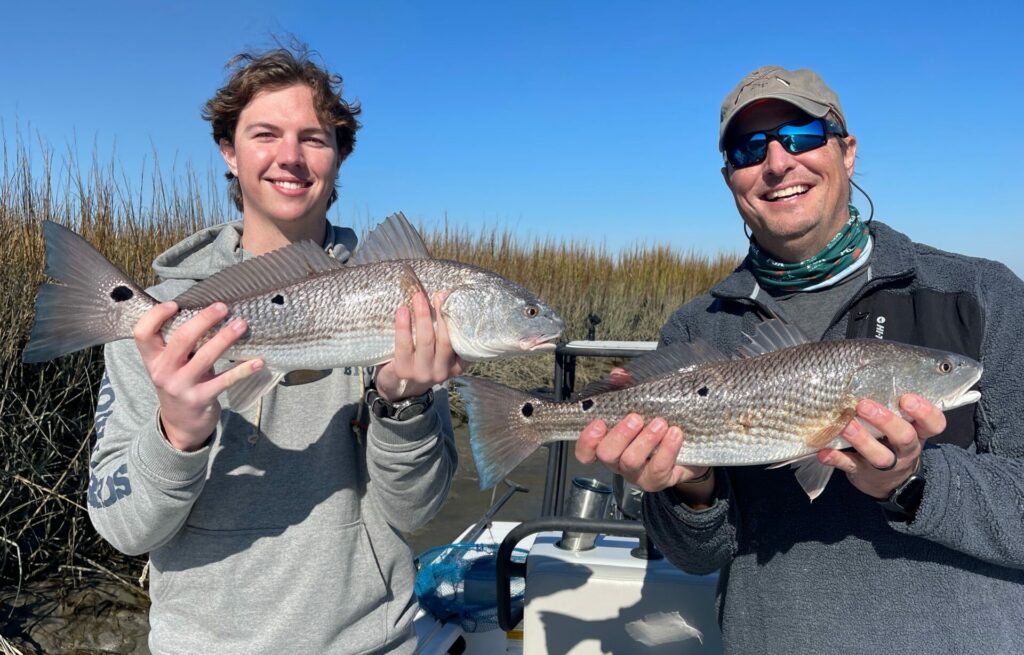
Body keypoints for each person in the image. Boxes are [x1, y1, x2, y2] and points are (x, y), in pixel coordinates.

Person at [575, 65, 1024, 654]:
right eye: (749, 147)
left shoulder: (983, 293)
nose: (779, 162)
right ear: (730, 177)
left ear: (847, 152)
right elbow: (693, 556)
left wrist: (915, 480)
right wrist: (691, 490)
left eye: (803, 135)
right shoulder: (697, 326)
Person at [87, 46, 460, 654]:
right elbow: (124, 529)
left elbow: (416, 513)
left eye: (315, 138)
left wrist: (404, 405)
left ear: (340, 158)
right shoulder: (157, 323)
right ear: (228, 153)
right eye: (265, 134)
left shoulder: (405, 305)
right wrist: (176, 435)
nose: (291, 156)